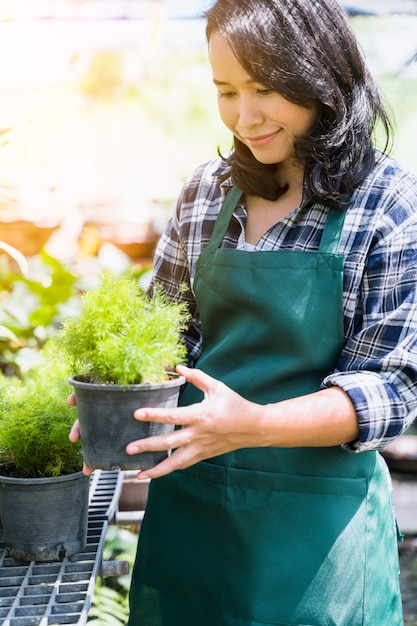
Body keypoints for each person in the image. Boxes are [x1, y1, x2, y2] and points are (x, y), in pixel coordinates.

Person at [70, 0, 417, 623]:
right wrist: (118, 400)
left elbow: (393, 390)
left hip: (317, 544)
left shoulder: (386, 204)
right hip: (193, 518)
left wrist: (251, 423)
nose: (244, 116)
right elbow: (168, 333)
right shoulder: (208, 192)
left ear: (321, 78)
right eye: (226, 91)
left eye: (265, 88)